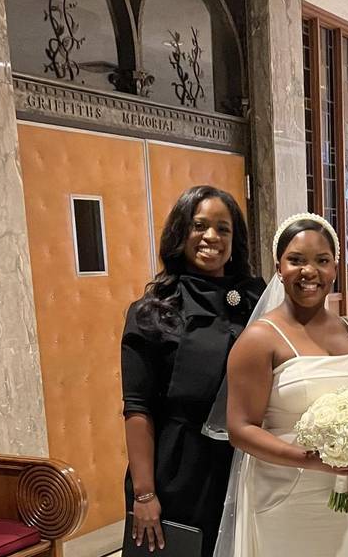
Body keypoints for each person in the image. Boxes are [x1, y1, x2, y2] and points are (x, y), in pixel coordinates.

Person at [121, 185, 265, 555]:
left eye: (223, 228)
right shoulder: (152, 310)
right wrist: (144, 493)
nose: (211, 237)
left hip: (245, 460)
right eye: (199, 226)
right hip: (179, 465)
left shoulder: (256, 299)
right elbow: (137, 408)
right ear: (181, 232)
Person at [222, 213, 348, 557]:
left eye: (322, 261)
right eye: (296, 260)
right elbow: (240, 428)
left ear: (335, 267)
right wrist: (311, 459)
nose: (309, 272)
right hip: (284, 490)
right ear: (278, 268)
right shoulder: (259, 339)